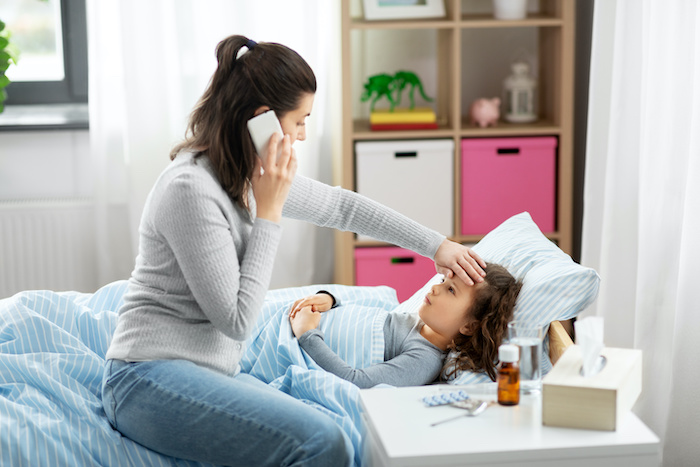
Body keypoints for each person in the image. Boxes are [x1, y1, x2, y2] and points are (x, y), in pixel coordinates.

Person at [101, 34, 486, 467]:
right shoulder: (190, 189)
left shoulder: (247, 174)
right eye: (299, 120)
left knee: (338, 430)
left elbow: (342, 206)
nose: (302, 135)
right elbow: (236, 322)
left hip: (199, 372)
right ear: (260, 119)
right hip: (144, 379)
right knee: (324, 442)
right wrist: (269, 212)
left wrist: (436, 245)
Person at [289, 263, 522, 388]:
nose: (434, 287)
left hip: (297, 340)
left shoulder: (424, 359)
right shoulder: (413, 318)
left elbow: (355, 382)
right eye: (443, 281)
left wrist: (308, 334)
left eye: (451, 290)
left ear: (469, 327)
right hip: (305, 317)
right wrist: (330, 300)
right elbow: (361, 312)